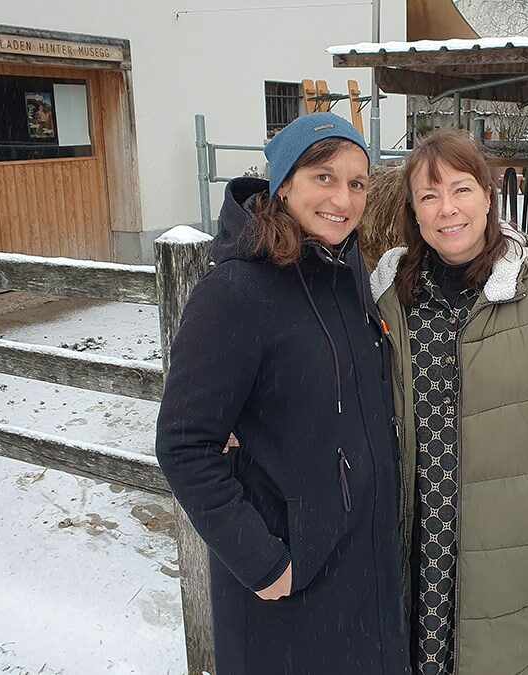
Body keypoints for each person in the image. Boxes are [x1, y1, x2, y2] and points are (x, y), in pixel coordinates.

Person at [156, 112, 409, 674]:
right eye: (324, 177)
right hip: (290, 581)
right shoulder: (235, 292)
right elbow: (183, 444)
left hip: (361, 564)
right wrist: (264, 562)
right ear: (283, 183)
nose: (342, 198)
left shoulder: (346, 273)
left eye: (357, 183)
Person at [370, 129, 528, 674]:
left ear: (489, 197)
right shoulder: (389, 298)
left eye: (461, 189)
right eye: (429, 196)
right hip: (414, 543)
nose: (448, 210)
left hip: (516, 553)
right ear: (414, 213)